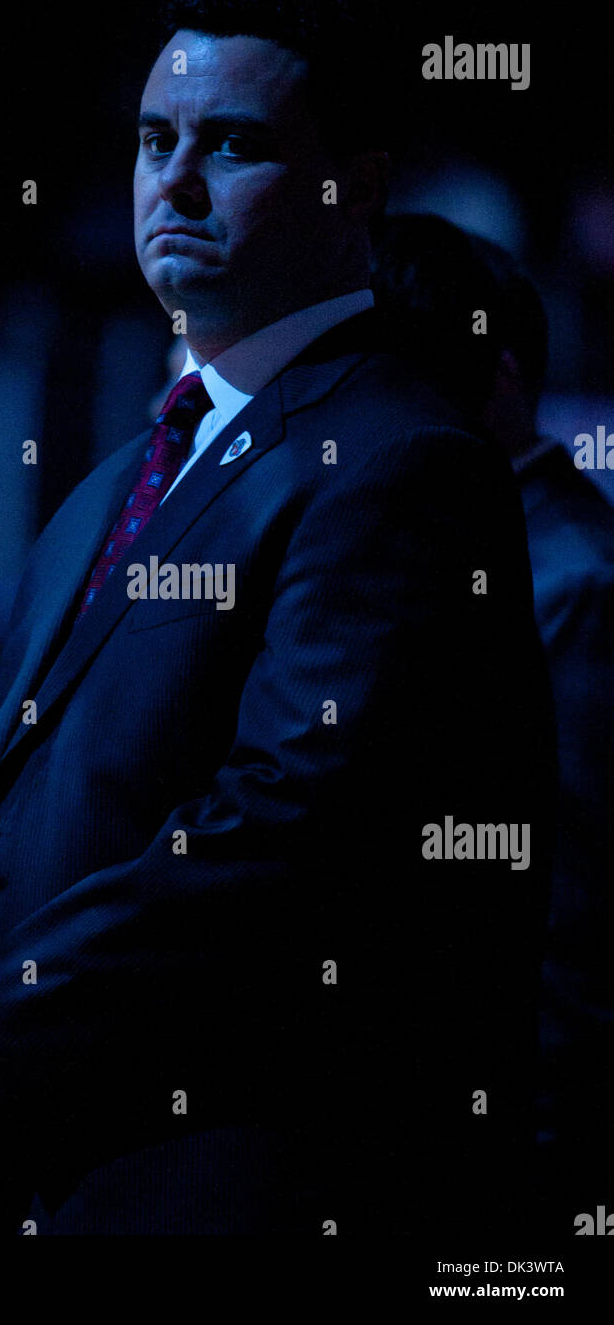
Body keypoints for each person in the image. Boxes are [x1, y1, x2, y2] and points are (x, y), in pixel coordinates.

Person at [0, 0, 556, 1238]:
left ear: (356, 184)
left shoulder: (395, 456)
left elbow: (286, 828)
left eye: (230, 144)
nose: (170, 184)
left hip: (236, 1189)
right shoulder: (113, 485)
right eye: (151, 140)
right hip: (63, 1164)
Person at [373, 212, 614, 1229]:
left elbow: (566, 898)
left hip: (526, 1134)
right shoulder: (459, 549)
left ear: (498, 372)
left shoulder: (574, 581)